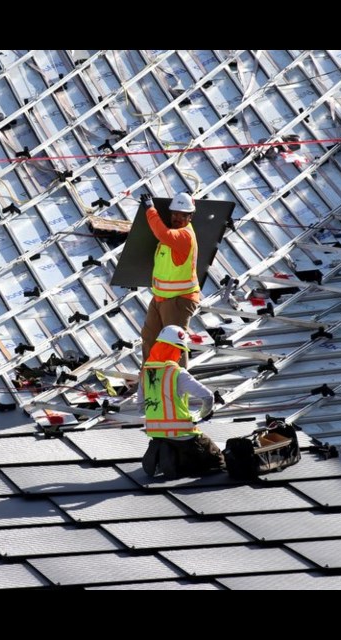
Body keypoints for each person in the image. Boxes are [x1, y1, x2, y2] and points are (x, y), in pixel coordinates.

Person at [139, 325, 222, 477]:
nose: (179, 356)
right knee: (219, 462)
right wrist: (203, 414)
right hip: (184, 435)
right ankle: (182, 461)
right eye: (180, 351)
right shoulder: (177, 373)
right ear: (173, 350)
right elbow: (208, 396)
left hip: (156, 433)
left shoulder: (145, 373)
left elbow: (140, 407)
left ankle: (165, 451)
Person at [140, 191, 200, 367]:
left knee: (174, 344)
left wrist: (150, 209)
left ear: (190, 217)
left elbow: (163, 234)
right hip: (161, 298)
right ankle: (148, 381)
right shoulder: (174, 234)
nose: (177, 218)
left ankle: (178, 386)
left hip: (179, 299)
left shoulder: (184, 236)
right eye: (174, 214)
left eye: (182, 215)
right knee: (149, 337)